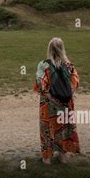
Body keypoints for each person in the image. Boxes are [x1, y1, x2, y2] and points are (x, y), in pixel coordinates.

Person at [34, 37, 80, 165]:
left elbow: (40, 85)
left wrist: (53, 98)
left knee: (47, 129)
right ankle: (62, 156)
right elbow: (75, 82)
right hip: (66, 104)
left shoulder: (43, 64)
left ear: (49, 48)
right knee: (64, 129)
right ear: (62, 49)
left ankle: (47, 158)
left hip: (48, 106)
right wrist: (65, 96)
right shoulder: (69, 65)